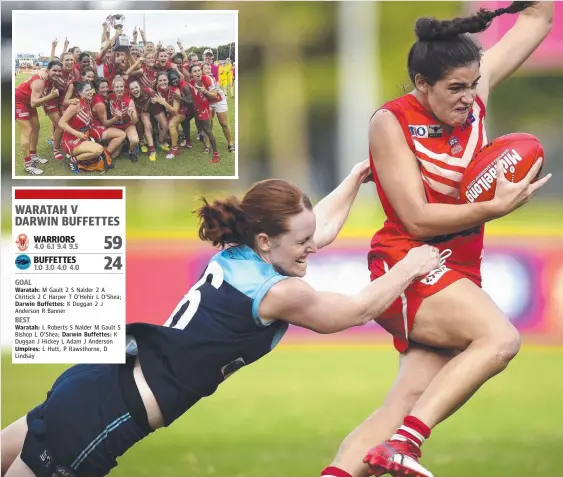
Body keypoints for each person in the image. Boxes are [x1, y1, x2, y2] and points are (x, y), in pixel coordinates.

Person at [1, 160, 442, 477]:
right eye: (301, 241)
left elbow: (314, 229)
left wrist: (354, 178)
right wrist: (411, 266)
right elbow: (357, 310)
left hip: (93, 381)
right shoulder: (280, 293)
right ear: (267, 240)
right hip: (107, 413)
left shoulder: (242, 251)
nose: (313, 247)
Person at [320, 3, 554, 477]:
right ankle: (407, 445)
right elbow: (418, 218)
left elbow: (538, 19)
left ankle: (366, 456)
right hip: (407, 263)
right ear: (421, 84)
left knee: (397, 408)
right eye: (455, 88)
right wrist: (495, 208)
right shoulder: (390, 121)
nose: (469, 97)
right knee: (499, 338)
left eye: (473, 84)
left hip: (457, 267)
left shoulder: (472, 92)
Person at [14, 60, 62, 174]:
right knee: (27, 130)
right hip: (19, 101)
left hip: (28, 102)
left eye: (59, 71)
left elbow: (33, 102)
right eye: (54, 70)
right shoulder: (40, 81)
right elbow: (34, 103)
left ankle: (33, 154)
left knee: (36, 127)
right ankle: (28, 164)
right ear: (48, 70)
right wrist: (51, 96)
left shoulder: (50, 79)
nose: (57, 73)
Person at [58, 81, 109, 173]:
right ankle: (73, 160)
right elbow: (61, 123)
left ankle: (80, 157)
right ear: (80, 93)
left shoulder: (87, 102)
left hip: (83, 137)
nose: (90, 92)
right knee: (99, 150)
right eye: (87, 90)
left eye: (91, 89)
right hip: (71, 140)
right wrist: (77, 133)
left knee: (101, 147)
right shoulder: (76, 104)